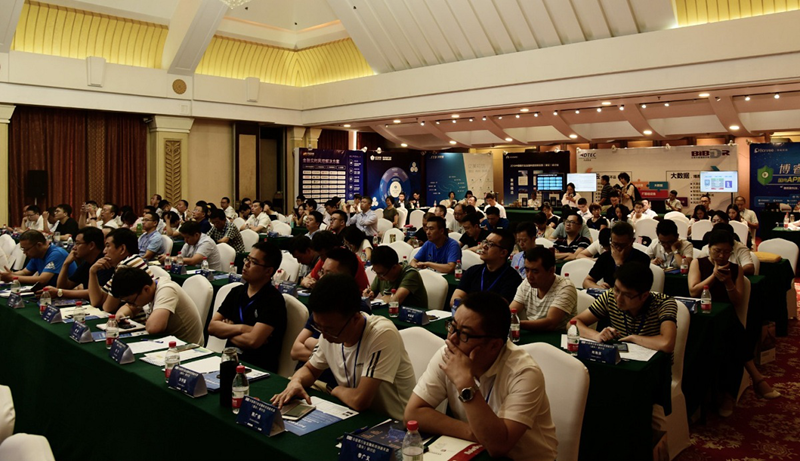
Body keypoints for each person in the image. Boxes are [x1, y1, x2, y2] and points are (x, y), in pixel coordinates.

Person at [404, 291, 558, 460]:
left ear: (494, 345)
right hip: (475, 450)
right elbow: (413, 413)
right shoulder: (448, 355)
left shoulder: (525, 373)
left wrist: (465, 384)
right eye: (452, 327)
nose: (452, 339)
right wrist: (474, 432)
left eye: (464, 334)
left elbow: (499, 446)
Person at [271, 274, 415, 420]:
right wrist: (296, 381)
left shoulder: (382, 334)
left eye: (330, 330)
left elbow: (360, 400)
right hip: (356, 415)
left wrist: (335, 390)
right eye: (319, 327)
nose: (324, 336)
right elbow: (310, 369)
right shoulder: (329, 331)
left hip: (395, 422)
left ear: (355, 318)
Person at [688, 229, 779, 415]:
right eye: (717, 251)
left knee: (730, 334)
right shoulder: (698, 263)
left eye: (726, 252)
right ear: (709, 248)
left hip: (725, 321)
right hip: (701, 318)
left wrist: (728, 282)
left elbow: (737, 301)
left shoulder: (736, 269)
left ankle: (729, 396)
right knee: (736, 336)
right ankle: (756, 379)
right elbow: (693, 291)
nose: (722, 256)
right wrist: (714, 276)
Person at [208, 242, 287, 371]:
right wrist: (243, 328)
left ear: (268, 271)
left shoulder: (273, 300)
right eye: (247, 259)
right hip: (229, 361)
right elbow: (212, 327)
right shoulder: (236, 292)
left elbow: (253, 341)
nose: (246, 264)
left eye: (254, 262)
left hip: (258, 368)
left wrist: (227, 330)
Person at [575, 261, 677, 354]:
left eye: (627, 295)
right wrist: (596, 335)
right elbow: (574, 323)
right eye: (617, 290)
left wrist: (634, 338)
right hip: (621, 358)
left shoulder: (664, 303)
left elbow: (667, 343)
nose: (619, 298)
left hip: (653, 364)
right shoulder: (610, 296)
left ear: (644, 296)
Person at [112, 266, 204, 344]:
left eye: (131, 301)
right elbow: (129, 308)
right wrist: (121, 314)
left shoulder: (167, 290)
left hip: (187, 347)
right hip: (169, 342)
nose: (132, 304)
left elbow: (154, 328)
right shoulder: (148, 289)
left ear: (146, 289)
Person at [510, 247, 577, 331]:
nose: (529, 276)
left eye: (535, 271)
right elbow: (511, 311)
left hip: (557, 335)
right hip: (533, 333)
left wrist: (515, 323)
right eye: (527, 270)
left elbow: (550, 323)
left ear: (551, 271)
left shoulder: (566, 287)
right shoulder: (526, 283)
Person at [89, 228, 154, 312]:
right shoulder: (125, 263)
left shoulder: (128, 265)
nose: (104, 251)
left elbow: (108, 308)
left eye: (108, 246)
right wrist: (92, 272)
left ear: (122, 249)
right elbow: (97, 301)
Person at [450, 229, 522, 306]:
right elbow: (454, 300)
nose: (484, 246)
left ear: (503, 253)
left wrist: (469, 307)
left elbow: (500, 308)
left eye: (490, 244)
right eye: (485, 242)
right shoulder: (473, 270)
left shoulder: (512, 279)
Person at [583, 221, 650, 289]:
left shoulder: (642, 259)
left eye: (622, 245)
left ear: (632, 241)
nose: (618, 248)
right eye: (615, 244)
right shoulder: (605, 257)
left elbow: (632, 288)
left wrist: (618, 263)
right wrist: (598, 288)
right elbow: (587, 282)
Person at [0, 230, 77, 286]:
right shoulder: (37, 254)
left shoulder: (56, 254)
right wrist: (10, 274)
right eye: (23, 249)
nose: (24, 252)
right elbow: (25, 272)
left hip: (67, 292)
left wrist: (13, 277)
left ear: (39, 245)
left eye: (27, 249)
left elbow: (42, 280)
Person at [302, 231, 370, 291]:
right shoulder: (326, 259)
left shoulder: (351, 260)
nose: (321, 259)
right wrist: (308, 283)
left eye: (322, 255)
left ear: (334, 248)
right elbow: (306, 279)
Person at [55, 227, 108, 299]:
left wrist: (60, 292)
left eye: (78, 243)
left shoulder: (104, 263)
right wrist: (66, 264)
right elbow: (63, 287)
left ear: (91, 245)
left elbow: (98, 293)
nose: (74, 247)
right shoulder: (87, 263)